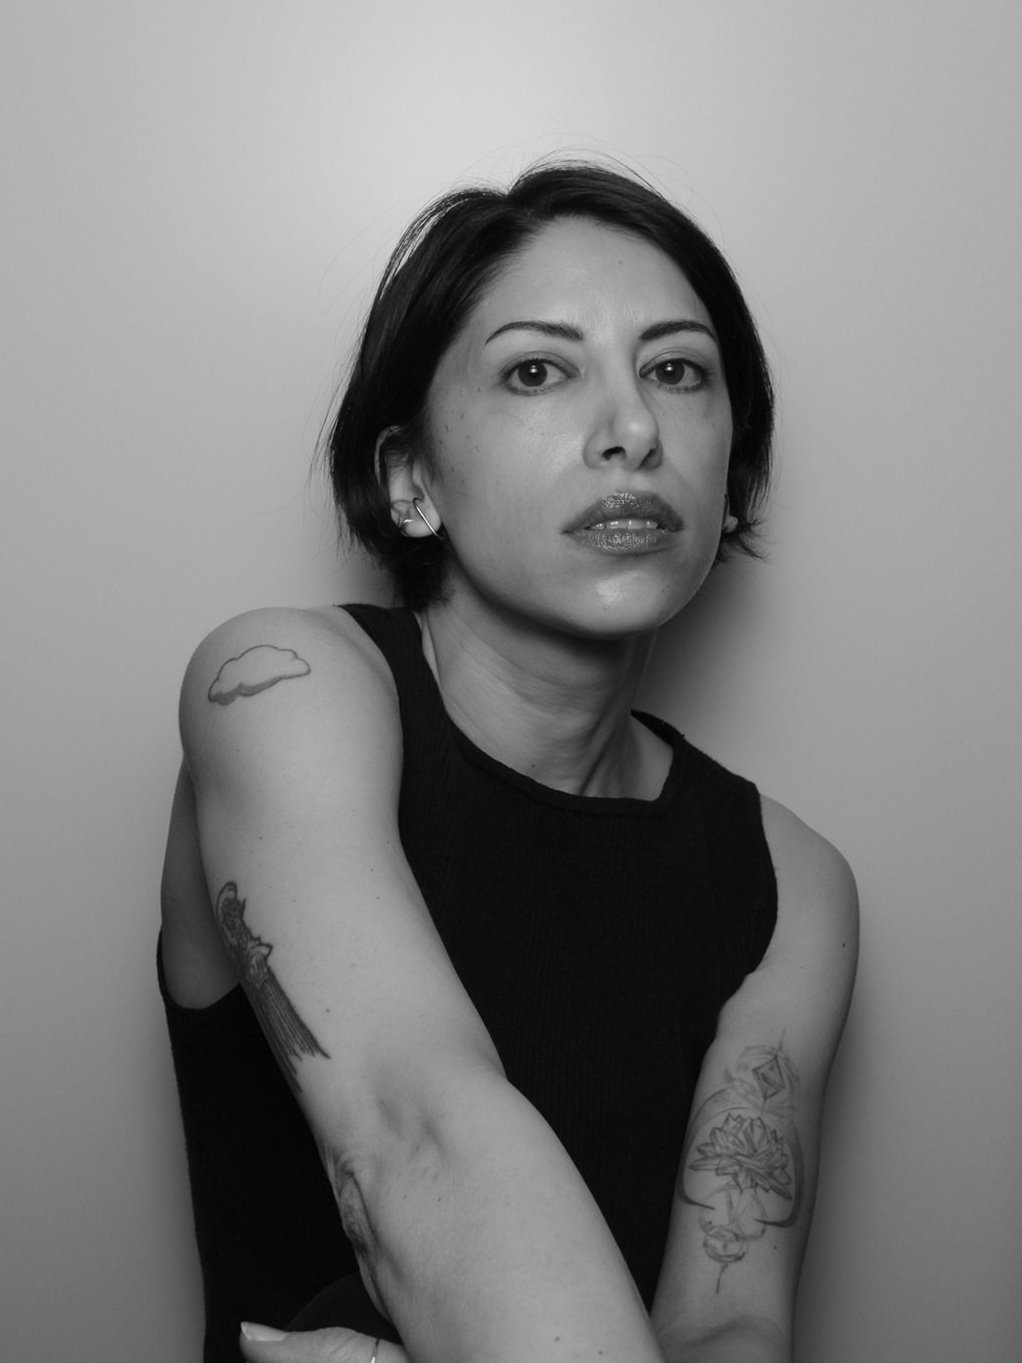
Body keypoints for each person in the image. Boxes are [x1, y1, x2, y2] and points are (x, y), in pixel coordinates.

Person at [160, 161, 858, 1363]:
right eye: (537, 370)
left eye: (676, 371)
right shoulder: (281, 685)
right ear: (410, 480)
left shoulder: (791, 883)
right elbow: (412, 1133)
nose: (633, 429)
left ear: (731, 464)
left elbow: (726, 1320)